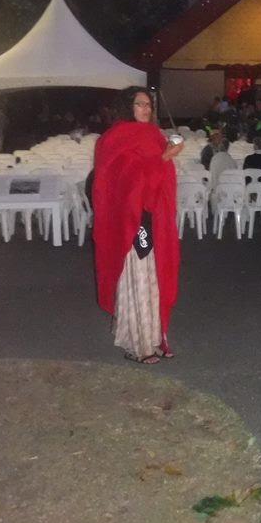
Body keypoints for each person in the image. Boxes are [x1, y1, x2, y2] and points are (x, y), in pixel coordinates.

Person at [93, 87, 184, 365]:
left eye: (148, 104)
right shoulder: (116, 137)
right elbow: (125, 180)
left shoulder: (153, 134)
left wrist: (164, 157)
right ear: (128, 107)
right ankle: (137, 344)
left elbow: (160, 176)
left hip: (154, 216)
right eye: (139, 104)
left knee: (155, 278)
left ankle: (154, 338)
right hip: (131, 220)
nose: (146, 109)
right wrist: (165, 158)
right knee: (138, 278)